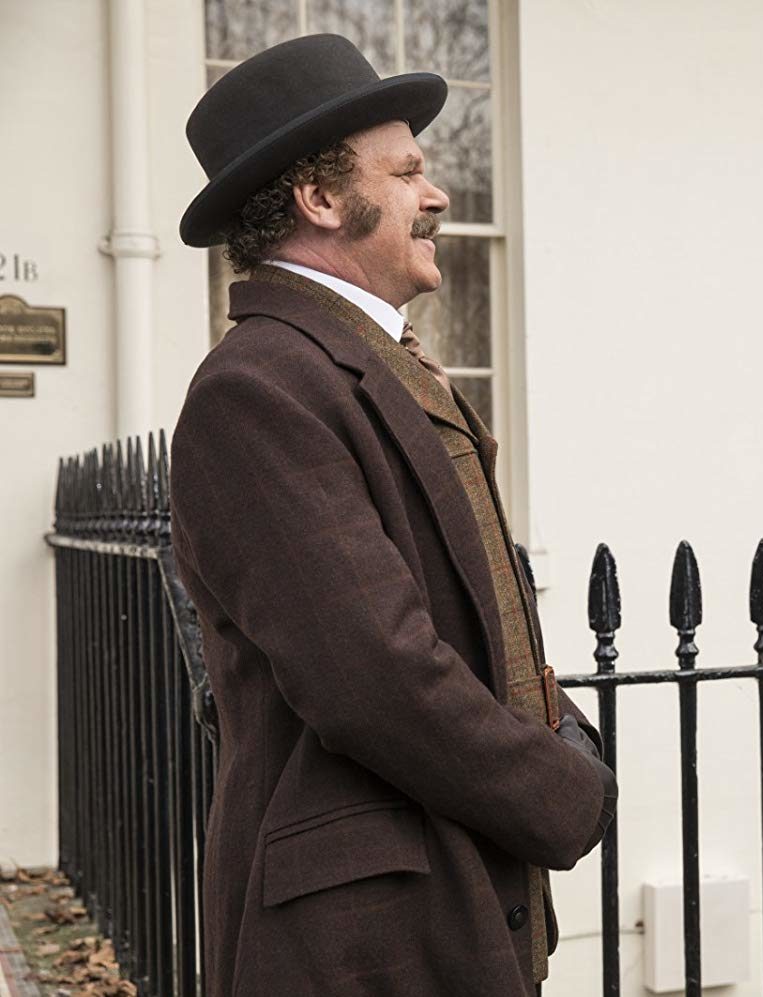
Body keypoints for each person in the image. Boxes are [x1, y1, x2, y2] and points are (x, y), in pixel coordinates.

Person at [170, 34, 615, 996]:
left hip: (446, 898)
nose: (435, 194)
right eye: (407, 172)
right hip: (361, 945)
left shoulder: (362, 360)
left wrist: (556, 722)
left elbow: (466, 611)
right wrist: (563, 788)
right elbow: (375, 673)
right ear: (321, 199)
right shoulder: (257, 388)